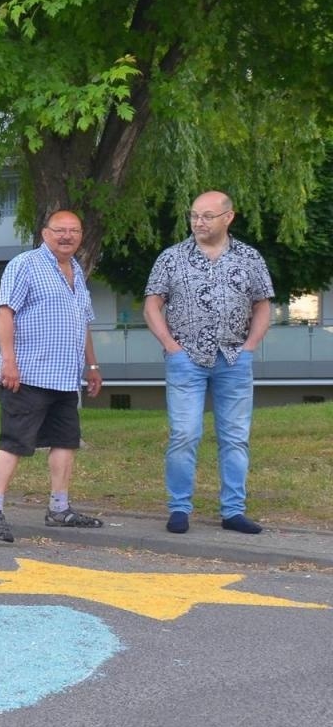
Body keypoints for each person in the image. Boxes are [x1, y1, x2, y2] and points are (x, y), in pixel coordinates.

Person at [143, 191, 274, 535]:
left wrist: (251, 345)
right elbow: (152, 305)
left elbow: (262, 303)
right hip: (185, 359)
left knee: (235, 437)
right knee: (184, 434)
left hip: (234, 359)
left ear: (228, 217)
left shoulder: (249, 258)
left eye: (207, 216)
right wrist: (171, 346)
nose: (198, 222)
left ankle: (233, 511)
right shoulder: (172, 258)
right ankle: (179, 509)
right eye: (194, 216)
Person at [0, 210, 104, 542]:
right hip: (28, 374)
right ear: (45, 234)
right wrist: (9, 361)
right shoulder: (25, 265)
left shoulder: (76, 270)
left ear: (81, 235)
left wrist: (92, 366)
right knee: (16, 442)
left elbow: (83, 323)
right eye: (59, 230)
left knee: (66, 442)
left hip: (65, 377)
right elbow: (4, 312)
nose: (67, 236)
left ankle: (59, 509)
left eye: (74, 231)